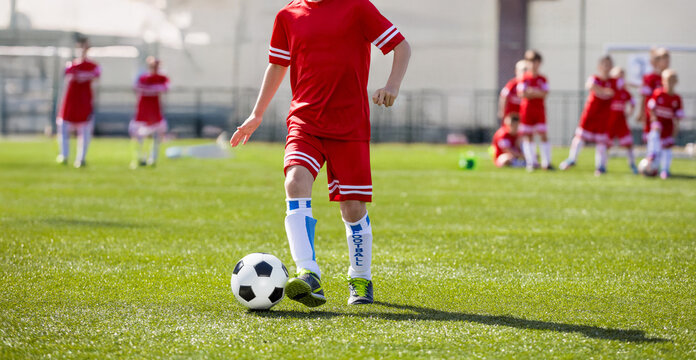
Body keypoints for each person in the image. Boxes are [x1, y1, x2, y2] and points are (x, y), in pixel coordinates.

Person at [229, 0, 411, 307]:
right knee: (295, 183)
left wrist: (392, 85)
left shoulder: (357, 8)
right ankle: (308, 273)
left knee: (352, 208)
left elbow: (401, 47)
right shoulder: (287, 15)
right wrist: (256, 114)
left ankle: (360, 276)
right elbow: (277, 64)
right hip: (305, 121)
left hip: (349, 125)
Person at [560, 55, 615, 176]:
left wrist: (601, 91)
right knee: (580, 137)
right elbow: (591, 86)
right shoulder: (594, 78)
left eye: (609, 65)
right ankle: (572, 159)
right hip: (590, 113)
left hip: (603, 116)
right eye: (604, 64)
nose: (606, 67)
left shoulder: (613, 82)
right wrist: (604, 91)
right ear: (599, 67)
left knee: (601, 142)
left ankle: (600, 167)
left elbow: (613, 92)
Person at [56, 37, 100, 168]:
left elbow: (96, 82)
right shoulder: (71, 66)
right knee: (63, 128)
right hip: (70, 102)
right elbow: (67, 81)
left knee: (85, 130)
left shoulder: (93, 67)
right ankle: (64, 155)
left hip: (84, 101)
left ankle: (81, 159)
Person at [129, 57, 170, 169]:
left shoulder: (161, 78)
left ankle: (152, 158)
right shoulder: (143, 78)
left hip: (155, 111)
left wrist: (153, 87)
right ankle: (139, 158)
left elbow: (165, 87)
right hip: (143, 111)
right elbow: (138, 87)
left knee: (156, 136)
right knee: (139, 136)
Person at [517, 50, 553, 171]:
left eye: (536, 62)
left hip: (539, 110)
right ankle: (531, 162)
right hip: (527, 111)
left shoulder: (542, 79)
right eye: (531, 62)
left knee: (543, 135)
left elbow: (545, 93)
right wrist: (535, 93)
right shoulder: (524, 78)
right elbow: (521, 93)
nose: (534, 64)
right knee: (528, 136)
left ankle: (546, 163)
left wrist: (533, 92)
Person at [645, 69, 683, 179]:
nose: (669, 83)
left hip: (668, 126)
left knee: (667, 148)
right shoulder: (658, 93)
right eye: (667, 80)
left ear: (676, 82)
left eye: (672, 80)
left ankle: (665, 170)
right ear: (663, 81)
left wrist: (676, 128)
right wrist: (654, 120)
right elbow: (651, 108)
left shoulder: (676, 98)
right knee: (654, 136)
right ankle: (652, 156)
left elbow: (677, 116)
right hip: (658, 123)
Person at [607, 66, 638, 174]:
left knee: (628, 144)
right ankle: (602, 166)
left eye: (622, 75)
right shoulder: (610, 90)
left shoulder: (625, 92)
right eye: (618, 75)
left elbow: (633, 103)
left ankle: (632, 164)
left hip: (621, 122)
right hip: (609, 122)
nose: (620, 78)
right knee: (606, 144)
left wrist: (629, 113)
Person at [638, 48, 670, 143]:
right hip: (653, 114)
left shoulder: (669, 78)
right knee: (652, 140)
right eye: (664, 60)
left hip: (665, 115)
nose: (667, 62)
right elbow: (644, 97)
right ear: (656, 62)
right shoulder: (650, 78)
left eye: (668, 60)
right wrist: (642, 113)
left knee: (664, 143)